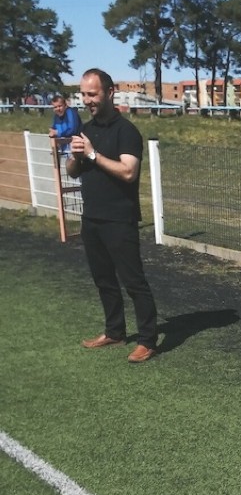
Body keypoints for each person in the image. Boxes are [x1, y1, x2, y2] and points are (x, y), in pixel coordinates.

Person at [66, 68, 159, 364]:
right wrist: (76, 156)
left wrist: (93, 155)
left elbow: (129, 172)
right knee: (103, 279)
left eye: (92, 94)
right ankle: (114, 331)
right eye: (84, 94)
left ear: (109, 92)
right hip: (92, 217)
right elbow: (72, 170)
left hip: (120, 218)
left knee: (133, 281)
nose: (88, 100)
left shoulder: (126, 131)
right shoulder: (86, 129)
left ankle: (147, 340)